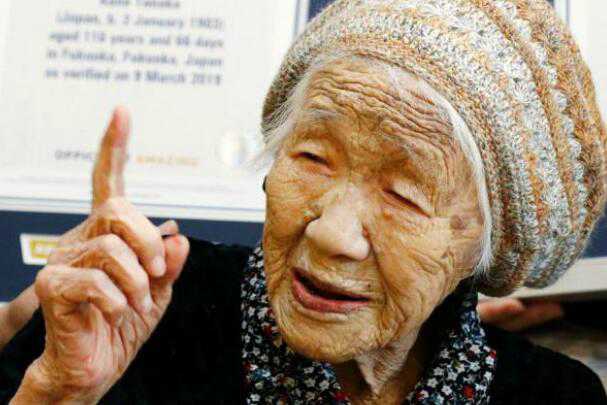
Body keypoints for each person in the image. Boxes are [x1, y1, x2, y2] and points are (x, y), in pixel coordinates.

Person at [2, 0, 607, 403]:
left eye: (403, 195)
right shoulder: (135, 317)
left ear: (485, 243)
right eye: (313, 157)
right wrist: (57, 393)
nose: (331, 233)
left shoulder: (554, 395)